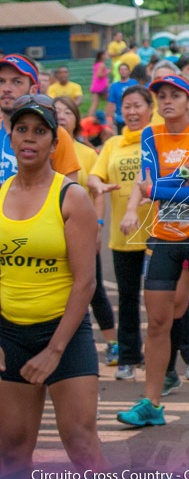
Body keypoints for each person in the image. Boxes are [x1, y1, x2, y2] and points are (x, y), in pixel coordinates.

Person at [0, 95, 106, 479]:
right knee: (11, 450)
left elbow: (85, 282)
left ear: (54, 142)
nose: (30, 139)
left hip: (63, 332)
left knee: (80, 442)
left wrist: (54, 350)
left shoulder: (71, 197)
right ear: (10, 137)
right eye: (22, 129)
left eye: (40, 131)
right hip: (9, 333)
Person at [114, 74, 189, 427]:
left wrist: (160, 185)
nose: (168, 101)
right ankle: (152, 404)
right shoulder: (150, 134)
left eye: (176, 95)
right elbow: (145, 186)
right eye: (162, 96)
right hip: (164, 239)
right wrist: (187, 169)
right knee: (158, 323)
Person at [88, 85, 156, 380]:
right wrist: (97, 185)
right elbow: (95, 173)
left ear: (150, 109)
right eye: (126, 106)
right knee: (128, 299)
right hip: (123, 235)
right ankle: (129, 358)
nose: (131, 112)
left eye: (137, 105)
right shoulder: (113, 144)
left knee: (164, 301)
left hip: (157, 233)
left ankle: (174, 359)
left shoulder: (158, 140)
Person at [53, 95, 118, 363]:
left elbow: (97, 194)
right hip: (53, 234)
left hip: (82, 231)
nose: (61, 116)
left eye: (67, 111)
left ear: (76, 118)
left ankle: (112, 342)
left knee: (94, 289)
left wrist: (97, 227)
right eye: (55, 111)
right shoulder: (44, 150)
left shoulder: (88, 153)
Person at [0, 55, 81, 186]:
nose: (6, 88)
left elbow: (70, 193)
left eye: (16, 82)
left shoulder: (54, 133)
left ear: (33, 90)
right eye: (1, 81)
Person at [107, 62, 140, 134]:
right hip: (120, 118)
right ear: (118, 72)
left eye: (125, 69)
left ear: (129, 71)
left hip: (134, 116)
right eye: (121, 69)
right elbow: (111, 103)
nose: (123, 71)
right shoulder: (114, 86)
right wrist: (109, 118)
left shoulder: (134, 83)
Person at [88, 51, 109, 117]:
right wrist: (108, 72)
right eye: (106, 55)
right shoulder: (102, 64)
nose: (107, 56)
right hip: (102, 86)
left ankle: (89, 117)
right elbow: (99, 75)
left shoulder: (96, 64)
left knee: (95, 103)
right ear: (102, 56)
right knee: (110, 101)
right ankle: (107, 115)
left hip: (95, 86)